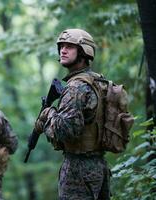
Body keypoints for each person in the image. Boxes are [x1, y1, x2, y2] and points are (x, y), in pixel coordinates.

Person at [35, 29, 111, 199]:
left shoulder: (75, 87)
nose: (63, 50)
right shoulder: (98, 80)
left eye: (70, 46)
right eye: (61, 46)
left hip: (78, 170)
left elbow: (66, 132)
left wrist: (48, 114)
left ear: (84, 51)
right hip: (99, 166)